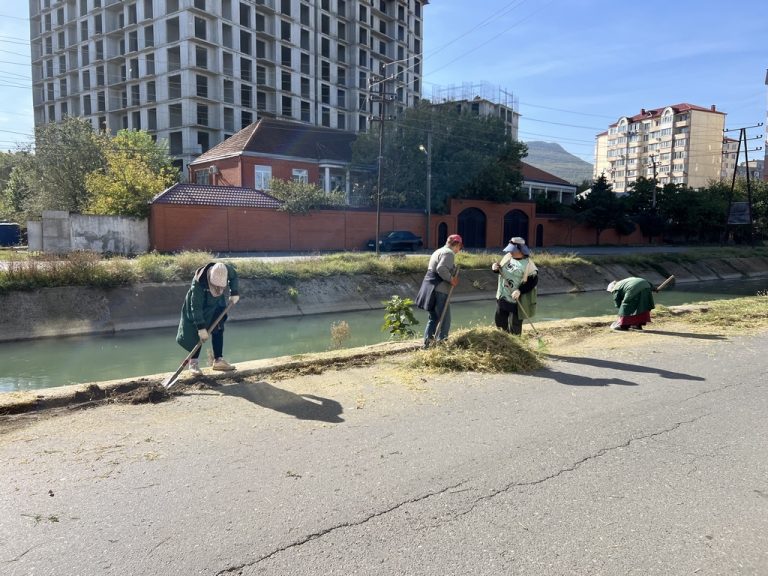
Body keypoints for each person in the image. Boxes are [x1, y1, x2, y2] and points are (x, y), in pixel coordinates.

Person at [176, 261, 240, 374]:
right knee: (195, 332)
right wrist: (201, 328)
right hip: (201, 305)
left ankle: (218, 360)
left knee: (218, 327)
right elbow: (196, 307)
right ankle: (193, 363)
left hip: (217, 302)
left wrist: (234, 292)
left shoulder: (224, 269)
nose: (218, 287)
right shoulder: (198, 283)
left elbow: (234, 276)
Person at [415, 234, 463, 346]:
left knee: (433, 318)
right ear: (457, 244)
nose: (459, 251)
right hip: (439, 289)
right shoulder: (448, 253)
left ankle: (427, 345)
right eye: (460, 248)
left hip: (429, 287)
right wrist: (451, 279)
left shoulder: (438, 251)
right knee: (445, 319)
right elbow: (441, 268)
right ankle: (442, 344)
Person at [491, 237, 538, 335]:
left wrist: (519, 290)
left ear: (520, 250)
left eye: (513, 250)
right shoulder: (508, 257)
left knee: (514, 327)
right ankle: (503, 342)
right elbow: (501, 271)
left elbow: (532, 282)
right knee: (500, 323)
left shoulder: (529, 265)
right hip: (503, 295)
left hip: (516, 300)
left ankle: (515, 345)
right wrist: (495, 268)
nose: (510, 252)